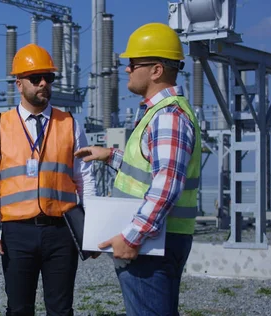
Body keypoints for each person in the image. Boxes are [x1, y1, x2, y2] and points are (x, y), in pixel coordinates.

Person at [75, 22, 201, 316]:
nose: (127, 69)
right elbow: (147, 169)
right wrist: (110, 155)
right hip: (157, 239)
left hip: (153, 244)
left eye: (133, 64)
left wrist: (132, 237)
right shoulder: (161, 113)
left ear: (156, 70)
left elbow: (166, 184)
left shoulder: (168, 116)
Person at [0, 43, 96, 315]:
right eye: (35, 78)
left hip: (62, 231)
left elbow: (85, 178)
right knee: (18, 309)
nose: (44, 83)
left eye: (48, 78)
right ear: (19, 84)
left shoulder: (70, 124)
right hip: (17, 233)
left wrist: (93, 228)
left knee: (61, 309)